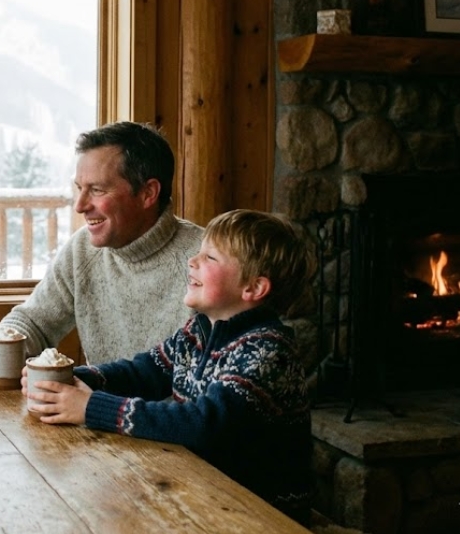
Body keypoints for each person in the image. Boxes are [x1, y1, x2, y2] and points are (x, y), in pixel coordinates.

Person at [25, 209, 316, 524]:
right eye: (198, 252)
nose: (193, 261)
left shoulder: (267, 350)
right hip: (206, 493)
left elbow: (203, 425)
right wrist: (66, 379)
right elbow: (142, 372)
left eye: (210, 258)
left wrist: (91, 407)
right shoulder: (198, 331)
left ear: (254, 289)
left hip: (260, 514)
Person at [0, 121, 203, 369]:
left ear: (148, 193)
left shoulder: (207, 260)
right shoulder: (82, 249)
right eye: (80, 188)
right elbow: (35, 322)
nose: (80, 205)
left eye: (97, 190)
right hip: (90, 404)